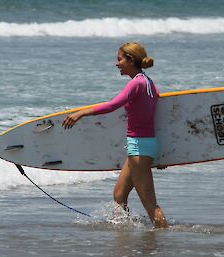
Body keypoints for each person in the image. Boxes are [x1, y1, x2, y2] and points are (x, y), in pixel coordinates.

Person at [62, 42, 168, 228]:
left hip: (139, 148)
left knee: (151, 205)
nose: (116, 63)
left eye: (119, 59)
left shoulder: (136, 83)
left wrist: (80, 113)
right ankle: (125, 234)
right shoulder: (150, 83)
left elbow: (112, 106)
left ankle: (161, 240)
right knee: (119, 195)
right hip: (144, 146)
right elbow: (159, 118)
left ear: (131, 60)